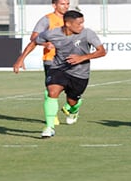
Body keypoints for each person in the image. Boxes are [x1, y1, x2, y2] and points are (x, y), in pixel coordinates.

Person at [30, 10, 106, 138]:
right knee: (52, 92)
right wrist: (20, 59)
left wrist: (82, 58)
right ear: (68, 24)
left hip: (80, 73)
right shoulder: (52, 33)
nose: (82, 26)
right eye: (79, 24)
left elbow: (102, 51)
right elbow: (34, 41)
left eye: (82, 23)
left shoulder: (87, 33)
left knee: (72, 101)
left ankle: (73, 110)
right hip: (59, 68)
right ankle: (49, 127)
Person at [13, 0, 71, 124]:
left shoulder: (71, 19)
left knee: (72, 88)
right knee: (52, 88)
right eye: (62, 4)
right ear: (54, 5)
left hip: (70, 59)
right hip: (51, 59)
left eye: (67, 4)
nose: (65, 7)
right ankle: (52, 116)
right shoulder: (47, 20)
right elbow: (34, 38)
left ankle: (70, 108)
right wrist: (45, 44)